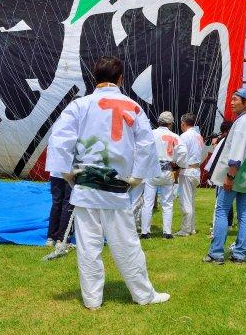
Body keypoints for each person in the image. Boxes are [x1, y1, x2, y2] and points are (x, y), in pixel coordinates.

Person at [45, 56, 169, 309]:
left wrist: (67, 172)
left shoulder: (79, 105)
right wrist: (137, 177)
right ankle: (143, 295)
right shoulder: (133, 107)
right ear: (120, 78)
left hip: (86, 186)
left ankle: (92, 300)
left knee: (88, 246)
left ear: (94, 77)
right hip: (117, 186)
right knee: (127, 244)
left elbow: (59, 139)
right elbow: (146, 145)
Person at [205, 88, 246, 264]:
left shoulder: (242, 122)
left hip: (236, 174)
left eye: (235, 100)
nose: (231, 103)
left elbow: (238, 150)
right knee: (243, 213)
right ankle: (240, 253)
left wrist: (230, 176)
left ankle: (216, 253)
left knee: (222, 210)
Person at [139, 112, 179, 240]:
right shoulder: (175, 136)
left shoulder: (151, 133)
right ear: (171, 123)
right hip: (167, 170)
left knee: (148, 203)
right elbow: (182, 152)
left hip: (152, 170)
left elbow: (142, 150)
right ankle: (167, 232)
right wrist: (177, 164)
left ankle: (145, 232)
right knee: (167, 203)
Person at [174, 113, 205, 237]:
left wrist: (178, 165)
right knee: (191, 200)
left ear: (183, 123)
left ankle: (186, 229)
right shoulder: (199, 136)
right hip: (196, 170)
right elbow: (204, 153)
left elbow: (180, 155)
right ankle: (191, 227)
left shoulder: (184, 136)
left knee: (185, 200)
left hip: (187, 170)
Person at [45, 172, 74, 246]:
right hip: (70, 172)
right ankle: (62, 239)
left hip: (56, 171)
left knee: (56, 203)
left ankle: (51, 238)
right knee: (68, 204)